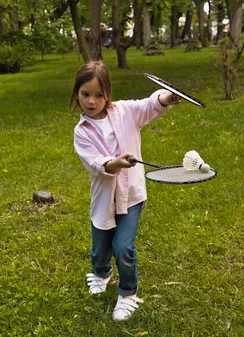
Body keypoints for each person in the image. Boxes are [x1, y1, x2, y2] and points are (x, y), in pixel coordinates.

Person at [71, 61, 181, 321]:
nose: (91, 101)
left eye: (99, 95)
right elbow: (97, 163)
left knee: (123, 248)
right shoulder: (81, 133)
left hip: (131, 196)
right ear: (77, 92)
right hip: (103, 200)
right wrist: (117, 163)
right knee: (100, 250)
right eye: (86, 94)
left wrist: (166, 97)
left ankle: (128, 292)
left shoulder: (125, 112)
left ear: (108, 93)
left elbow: (149, 105)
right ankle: (101, 273)